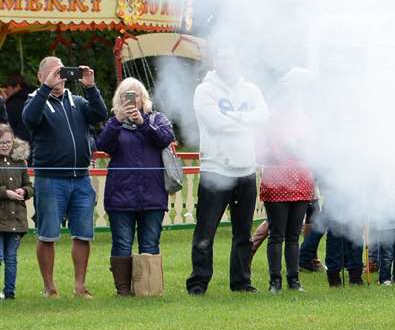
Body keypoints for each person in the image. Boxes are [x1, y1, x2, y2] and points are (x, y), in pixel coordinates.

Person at [22, 57, 109, 298]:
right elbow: (29, 120)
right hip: (50, 179)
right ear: (41, 77)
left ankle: (80, 286)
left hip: (81, 177)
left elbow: (100, 114)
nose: (58, 77)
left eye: (61, 72)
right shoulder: (34, 102)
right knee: (47, 234)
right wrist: (46, 89)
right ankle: (49, 288)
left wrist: (91, 86)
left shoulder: (78, 101)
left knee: (83, 233)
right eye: (52, 73)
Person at [188, 49, 268, 295]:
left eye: (231, 57)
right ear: (215, 61)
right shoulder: (205, 90)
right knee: (206, 231)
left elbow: (263, 116)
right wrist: (246, 121)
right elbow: (214, 122)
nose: (227, 62)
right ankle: (198, 283)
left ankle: (241, 281)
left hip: (246, 169)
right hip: (216, 170)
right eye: (222, 57)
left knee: (243, 232)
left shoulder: (251, 90)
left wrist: (234, 117)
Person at [96, 78, 177, 296]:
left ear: (144, 98)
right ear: (119, 100)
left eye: (136, 95)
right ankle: (123, 290)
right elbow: (102, 145)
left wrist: (142, 123)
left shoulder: (157, 119)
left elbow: (166, 138)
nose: (132, 100)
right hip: (121, 194)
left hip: (152, 194)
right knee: (122, 242)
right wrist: (118, 120)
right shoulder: (114, 123)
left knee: (150, 241)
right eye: (126, 96)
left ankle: (147, 289)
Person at [258, 72, 315, 293]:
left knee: (293, 235)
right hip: (277, 182)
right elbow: (262, 150)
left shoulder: (306, 120)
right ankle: (275, 281)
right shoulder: (270, 120)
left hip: (301, 181)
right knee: (277, 234)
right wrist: (284, 149)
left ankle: (294, 280)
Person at [0, 126, 32, 298]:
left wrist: (24, 191)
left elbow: (29, 185)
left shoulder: (19, 162)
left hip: (16, 219)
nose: (5, 145)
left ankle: (9, 292)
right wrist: (6, 193)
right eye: (1, 142)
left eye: (8, 142)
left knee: (11, 258)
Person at [0, 76, 31, 142]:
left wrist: (5, 103)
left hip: (20, 142)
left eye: (7, 87)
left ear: (17, 86)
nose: (6, 90)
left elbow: (6, 124)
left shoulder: (15, 103)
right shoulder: (33, 98)